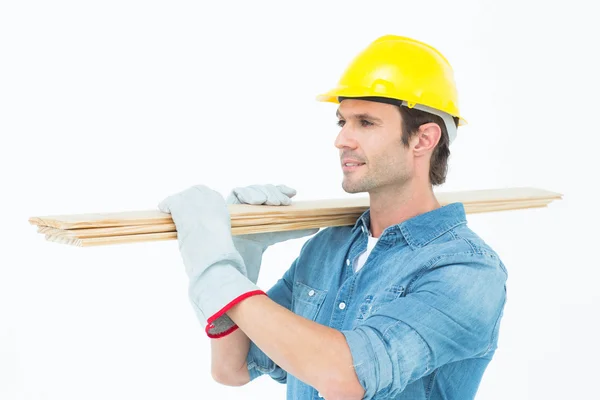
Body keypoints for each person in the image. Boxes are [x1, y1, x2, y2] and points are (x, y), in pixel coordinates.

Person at [157, 35, 508, 399]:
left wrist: (219, 275)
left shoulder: (467, 270)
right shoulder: (328, 247)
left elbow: (345, 377)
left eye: (366, 123)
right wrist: (240, 255)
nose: (342, 139)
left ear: (423, 139)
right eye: (342, 121)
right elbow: (233, 367)